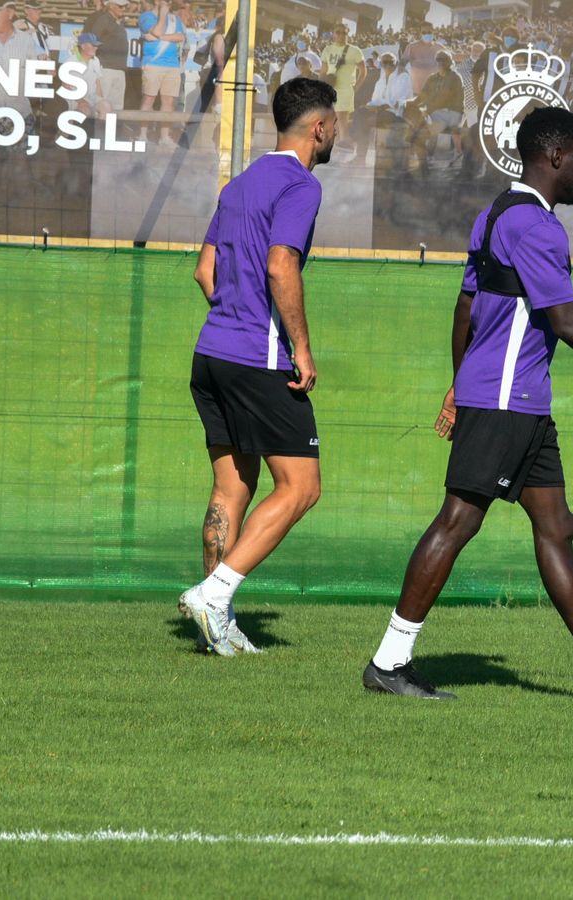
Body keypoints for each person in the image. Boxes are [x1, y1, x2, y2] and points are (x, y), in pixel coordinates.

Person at [363, 107, 573, 703]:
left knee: (555, 525)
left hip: (517, 401)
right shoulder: (537, 227)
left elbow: (466, 308)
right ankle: (389, 662)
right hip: (508, 399)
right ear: (557, 156)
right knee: (458, 520)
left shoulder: (492, 214)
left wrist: (460, 385)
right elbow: (565, 321)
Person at [179, 77, 339, 655]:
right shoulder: (300, 185)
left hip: (212, 354)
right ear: (318, 127)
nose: (336, 131)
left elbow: (205, 271)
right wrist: (299, 345)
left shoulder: (239, 184)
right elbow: (280, 265)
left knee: (231, 486)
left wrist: (232, 318)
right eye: (335, 122)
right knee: (301, 487)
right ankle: (214, 596)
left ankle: (213, 627)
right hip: (259, 358)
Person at [137, 0, 185, 147]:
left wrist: (160, 37)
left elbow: (181, 37)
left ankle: (164, 137)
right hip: (153, 63)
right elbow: (157, 30)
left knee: (168, 102)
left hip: (172, 65)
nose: (168, 2)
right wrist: (162, 15)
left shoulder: (174, 18)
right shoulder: (146, 16)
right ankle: (142, 135)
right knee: (148, 99)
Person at [83, 0, 131, 117]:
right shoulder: (103, 20)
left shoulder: (118, 22)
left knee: (116, 108)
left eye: (125, 6)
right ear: (111, 6)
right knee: (102, 106)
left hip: (119, 69)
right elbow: (91, 40)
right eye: (120, 6)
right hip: (106, 68)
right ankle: (99, 134)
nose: (123, 9)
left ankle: (111, 134)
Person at [319, 24, 365, 146]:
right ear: (333, 34)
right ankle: (340, 143)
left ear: (348, 34)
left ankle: (344, 140)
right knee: (335, 117)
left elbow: (363, 70)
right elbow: (323, 71)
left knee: (342, 115)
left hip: (346, 88)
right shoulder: (327, 50)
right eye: (338, 32)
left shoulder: (355, 51)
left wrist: (357, 87)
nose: (341, 35)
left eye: (344, 33)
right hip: (331, 87)